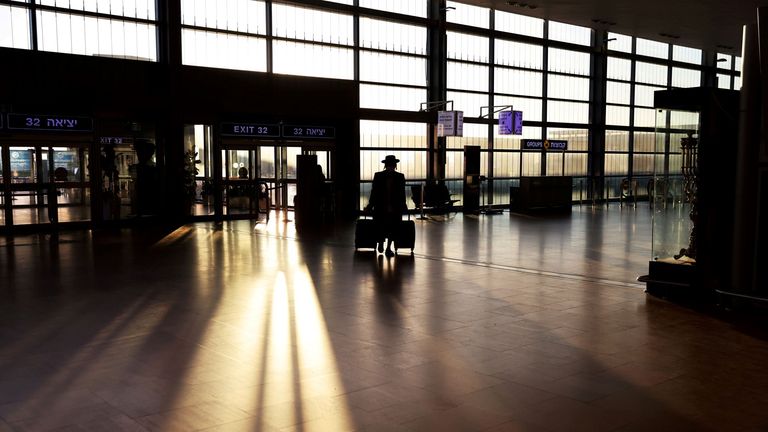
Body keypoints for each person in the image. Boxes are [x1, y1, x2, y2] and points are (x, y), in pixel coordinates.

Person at [365, 155, 406, 257]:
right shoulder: (400, 177)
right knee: (391, 227)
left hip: (383, 206)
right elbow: (402, 193)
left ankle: (383, 245)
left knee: (383, 226)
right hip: (391, 207)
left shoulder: (378, 176)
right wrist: (403, 205)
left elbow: (374, 192)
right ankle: (386, 246)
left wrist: (370, 205)